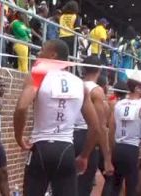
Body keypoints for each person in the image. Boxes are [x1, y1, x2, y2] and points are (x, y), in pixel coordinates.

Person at [13, 39, 113, 196]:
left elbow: (21, 107)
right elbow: (95, 127)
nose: (38, 54)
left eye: (42, 50)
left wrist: (18, 137)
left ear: (53, 55)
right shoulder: (79, 83)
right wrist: (84, 155)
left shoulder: (37, 76)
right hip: (66, 149)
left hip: (41, 147)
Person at [73, 56, 113, 196]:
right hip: (87, 136)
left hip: (70, 136)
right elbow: (100, 126)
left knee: (68, 184)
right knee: (84, 185)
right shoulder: (97, 91)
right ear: (100, 69)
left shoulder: (76, 85)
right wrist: (107, 159)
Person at [102, 74, 141, 196]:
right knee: (132, 186)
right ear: (137, 88)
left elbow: (111, 127)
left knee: (114, 184)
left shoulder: (118, 104)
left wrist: (111, 150)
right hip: (133, 148)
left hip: (118, 147)